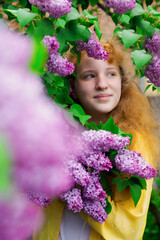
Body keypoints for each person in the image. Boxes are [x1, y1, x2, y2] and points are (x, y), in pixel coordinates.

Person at [33, 38, 160, 240]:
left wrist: (76, 181)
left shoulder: (134, 143)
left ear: (121, 82)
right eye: (89, 76)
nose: (102, 84)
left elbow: (128, 228)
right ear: (73, 85)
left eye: (111, 74)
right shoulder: (54, 132)